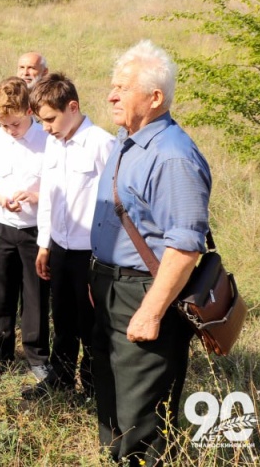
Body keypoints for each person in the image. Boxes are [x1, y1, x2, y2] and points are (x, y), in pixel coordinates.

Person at [89, 40, 209, 466]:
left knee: (142, 415)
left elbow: (184, 246)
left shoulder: (173, 155)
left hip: (146, 292)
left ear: (155, 97)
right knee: (110, 394)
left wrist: (152, 311)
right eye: (112, 86)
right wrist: (99, 280)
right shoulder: (127, 140)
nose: (111, 95)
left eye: (122, 87)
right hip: (111, 287)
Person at [23, 72, 115, 400]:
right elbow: (49, 195)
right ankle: (60, 380)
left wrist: (103, 258)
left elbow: (116, 204)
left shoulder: (102, 143)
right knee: (62, 319)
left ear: (72, 107)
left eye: (49, 119)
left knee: (91, 324)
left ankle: (93, 388)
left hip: (90, 254)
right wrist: (45, 244)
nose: (45, 127)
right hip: (59, 248)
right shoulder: (53, 142)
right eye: (41, 120)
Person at [0, 77, 50, 381]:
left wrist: (35, 197)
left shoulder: (47, 140)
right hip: (1, 226)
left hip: (34, 230)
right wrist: (3, 200)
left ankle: (37, 358)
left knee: (36, 295)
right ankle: (0, 354)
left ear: (29, 111)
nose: (10, 131)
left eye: (15, 124)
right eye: (4, 125)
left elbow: (61, 188)